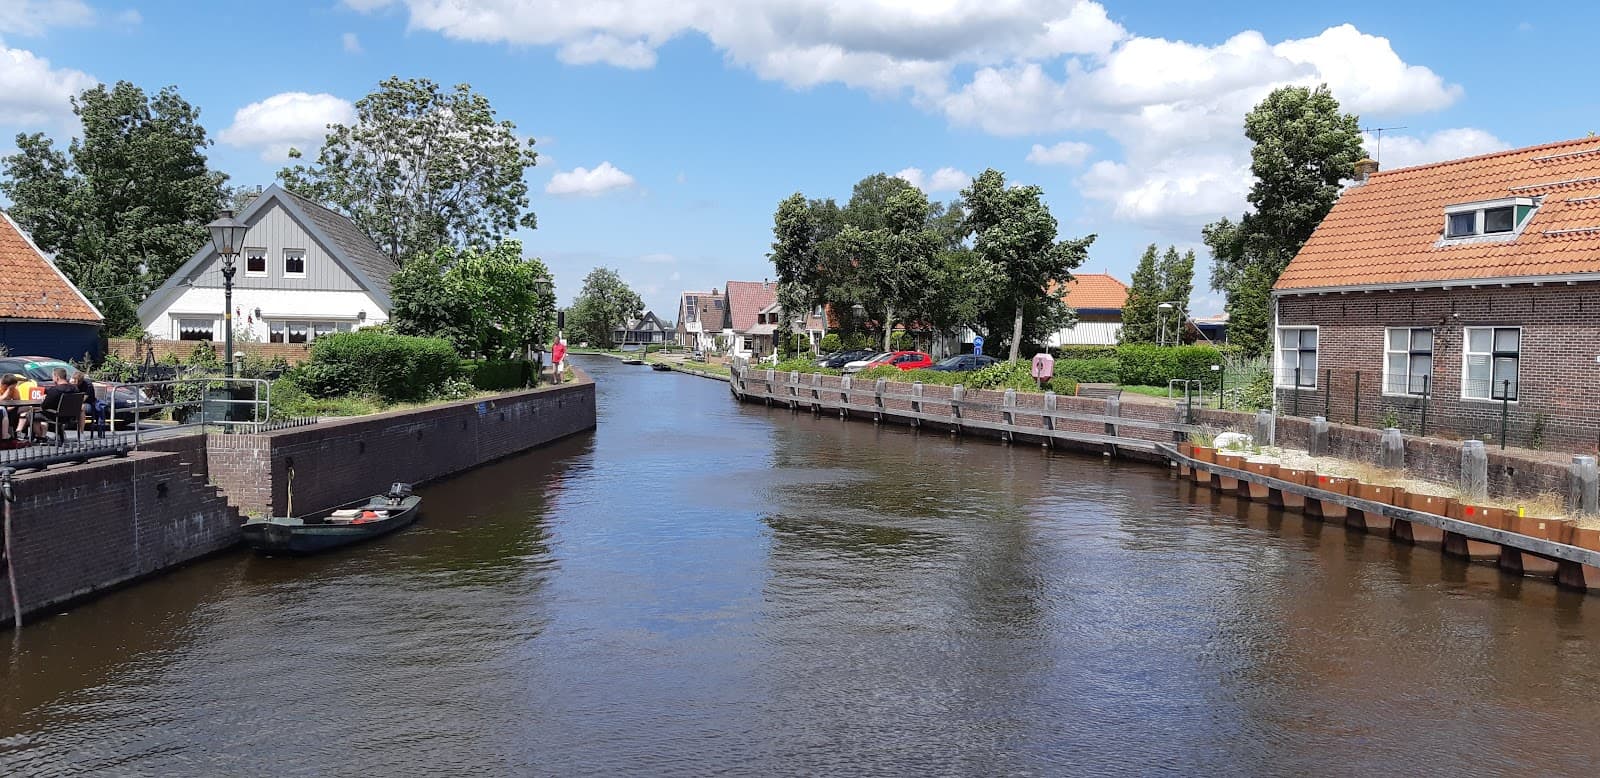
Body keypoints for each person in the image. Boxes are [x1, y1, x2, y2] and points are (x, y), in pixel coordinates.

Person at [36, 367, 79, 441]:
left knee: (31, 415)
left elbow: (44, 406)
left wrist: (43, 399)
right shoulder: (75, 389)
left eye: (53, 377)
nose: (52, 379)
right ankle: (57, 433)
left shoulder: (55, 390)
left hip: (56, 415)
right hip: (71, 416)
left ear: (57, 377)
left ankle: (41, 437)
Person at [73, 370, 106, 434]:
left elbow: (83, 399)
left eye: (78, 382)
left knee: (82, 408)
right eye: (74, 380)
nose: (76, 383)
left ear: (81, 381)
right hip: (75, 402)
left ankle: (81, 432)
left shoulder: (88, 385)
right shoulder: (72, 383)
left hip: (89, 403)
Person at [0, 374, 23, 446]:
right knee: (5, 410)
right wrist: (8, 390)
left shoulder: (14, 390)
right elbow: (1, 400)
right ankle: (7, 435)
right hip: (2, 409)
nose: (15, 387)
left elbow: (17, 401)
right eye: (14, 386)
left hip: (10, 408)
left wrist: (11, 408)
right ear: (6, 385)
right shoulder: (2, 388)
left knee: (26, 409)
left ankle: (13, 434)